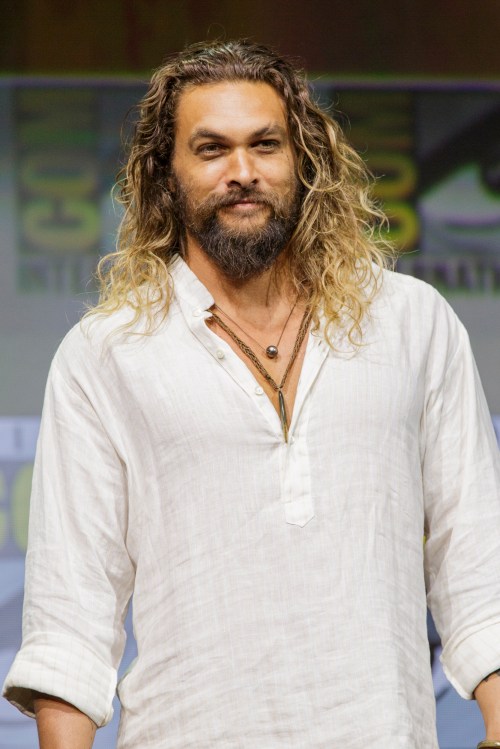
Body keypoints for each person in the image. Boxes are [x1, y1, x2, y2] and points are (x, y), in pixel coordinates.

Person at [3, 39, 500, 749]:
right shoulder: (106, 353)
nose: (243, 172)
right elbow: (70, 618)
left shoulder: (410, 322)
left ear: (303, 159)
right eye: (211, 149)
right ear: (165, 175)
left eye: (265, 144)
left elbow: (477, 559)